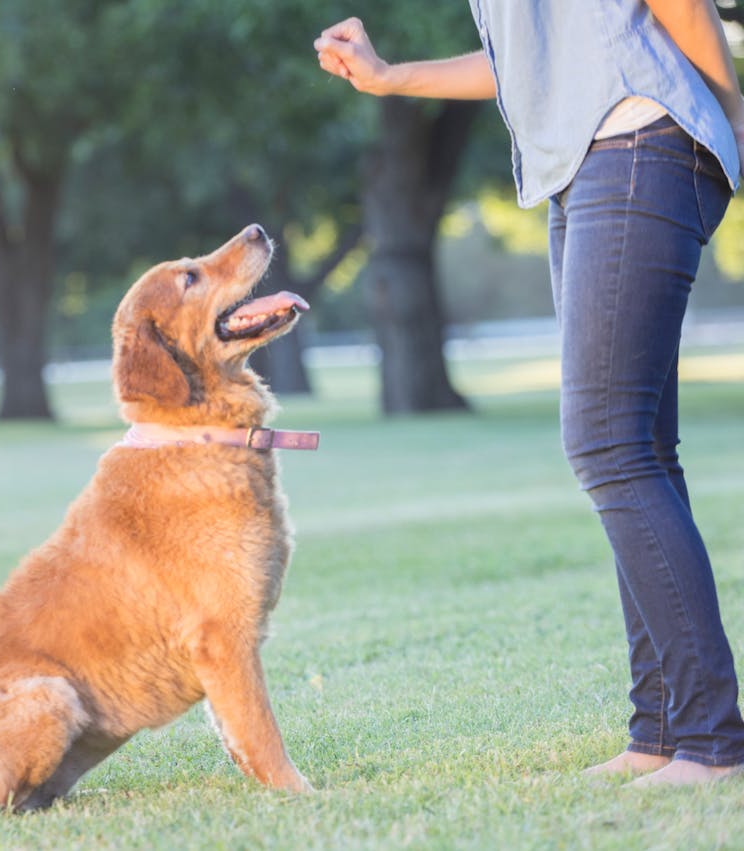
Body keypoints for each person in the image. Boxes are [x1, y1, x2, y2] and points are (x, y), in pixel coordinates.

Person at [315, 1, 744, 787]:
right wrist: (388, 78)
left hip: (641, 137)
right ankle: (660, 729)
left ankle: (716, 741)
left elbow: (679, 6)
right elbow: (528, 64)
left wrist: (733, 114)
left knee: (607, 444)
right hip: (584, 163)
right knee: (640, 448)